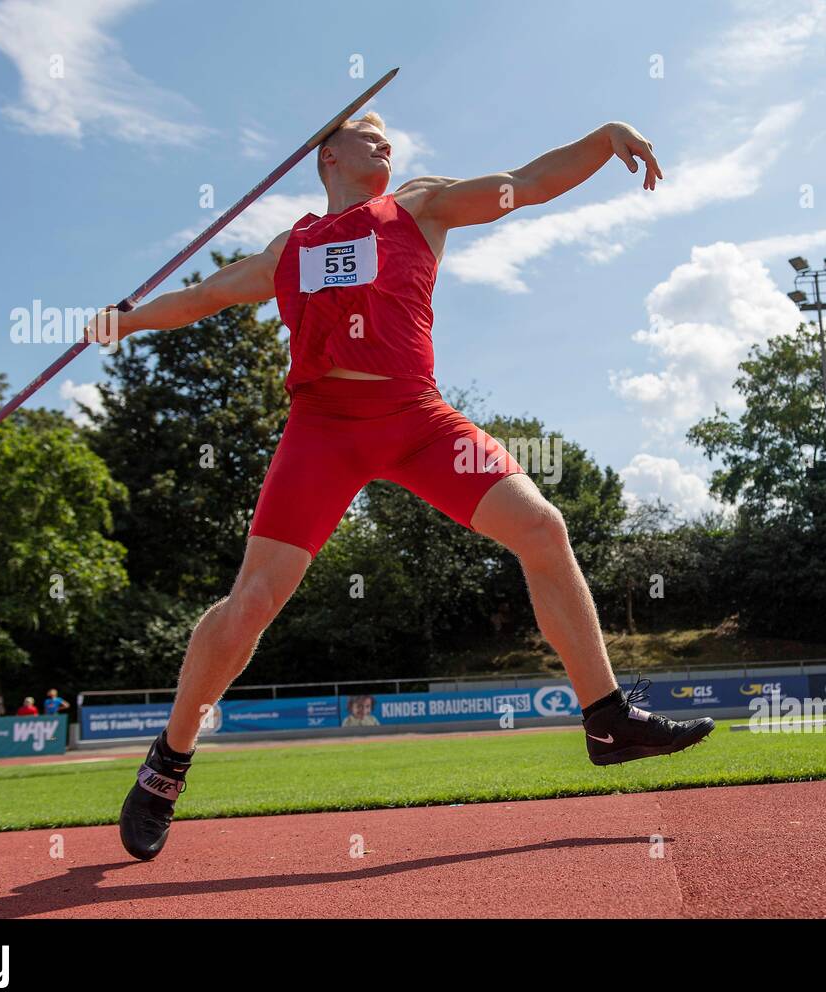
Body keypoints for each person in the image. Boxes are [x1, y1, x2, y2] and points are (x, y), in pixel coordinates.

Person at [89, 112, 715, 861]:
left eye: (389, 134)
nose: (386, 141)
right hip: (324, 428)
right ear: (327, 155)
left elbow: (529, 183)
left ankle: (607, 718)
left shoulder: (421, 206)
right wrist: (121, 324)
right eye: (368, 132)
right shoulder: (289, 250)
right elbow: (205, 297)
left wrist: (606, 135)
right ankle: (169, 762)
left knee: (542, 527)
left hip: (417, 419)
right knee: (253, 602)